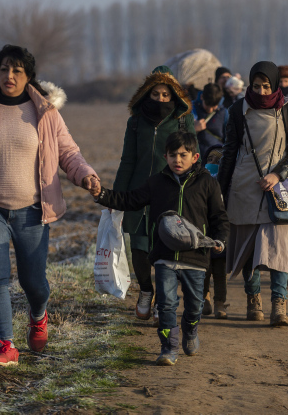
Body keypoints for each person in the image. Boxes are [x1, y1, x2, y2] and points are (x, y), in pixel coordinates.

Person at [0, 45, 100, 366]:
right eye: (3, 69)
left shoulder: (45, 112)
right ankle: (6, 346)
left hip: (33, 209)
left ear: (29, 75)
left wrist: (84, 174)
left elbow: (68, 152)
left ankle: (38, 314)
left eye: (16, 70)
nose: (9, 76)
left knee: (34, 282)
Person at [93, 131, 228, 365]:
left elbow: (219, 217)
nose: (178, 160)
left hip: (196, 258)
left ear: (195, 157)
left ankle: (190, 329)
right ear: (165, 156)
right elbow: (130, 200)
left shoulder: (208, 183)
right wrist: (101, 194)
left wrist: (220, 240)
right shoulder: (156, 183)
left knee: (195, 305)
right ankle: (168, 348)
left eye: (183, 155)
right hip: (164, 256)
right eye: (173, 155)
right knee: (165, 305)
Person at [217, 61, 288, 327]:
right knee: (248, 249)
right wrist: (219, 190)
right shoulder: (236, 110)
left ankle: (280, 304)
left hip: (280, 187)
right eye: (257, 86)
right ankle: (253, 299)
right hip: (244, 186)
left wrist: (278, 174)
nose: (262, 91)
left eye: (267, 86)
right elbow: (229, 152)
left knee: (279, 249)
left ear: (276, 84)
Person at [114, 66, 196, 322]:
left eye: (165, 94)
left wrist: (193, 192)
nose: (160, 99)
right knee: (139, 249)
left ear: (174, 96)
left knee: (165, 251)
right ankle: (146, 291)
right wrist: (116, 196)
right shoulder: (136, 122)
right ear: (146, 94)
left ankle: (162, 301)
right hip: (139, 194)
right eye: (155, 94)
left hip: (170, 195)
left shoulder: (183, 120)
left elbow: (194, 158)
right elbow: (127, 160)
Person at [201, 145, 229, 319]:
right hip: (203, 233)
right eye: (210, 160)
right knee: (204, 269)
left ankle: (220, 302)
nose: (212, 164)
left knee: (220, 272)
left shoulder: (227, 184)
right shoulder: (199, 182)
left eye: (217, 161)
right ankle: (204, 298)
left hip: (220, 234)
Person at [193, 83, 228, 158]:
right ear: (202, 97)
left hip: (216, 158)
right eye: (207, 105)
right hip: (196, 158)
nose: (210, 109)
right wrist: (193, 129)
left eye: (213, 106)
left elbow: (228, 138)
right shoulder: (191, 109)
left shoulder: (224, 113)